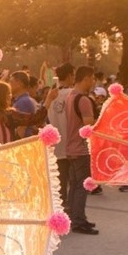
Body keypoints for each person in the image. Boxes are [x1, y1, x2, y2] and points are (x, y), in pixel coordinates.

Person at [64, 65, 98, 235]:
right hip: (81, 148)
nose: (93, 82)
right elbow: (89, 126)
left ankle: (73, 217)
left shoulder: (70, 96)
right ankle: (78, 221)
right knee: (81, 186)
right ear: (85, 78)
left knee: (75, 185)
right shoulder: (83, 100)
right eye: (92, 78)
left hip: (71, 147)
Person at [47, 63, 75, 204]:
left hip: (56, 143)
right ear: (70, 75)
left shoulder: (51, 94)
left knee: (61, 180)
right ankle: (72, 209)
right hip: (71, 143)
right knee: (75, 182)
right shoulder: (73, 94)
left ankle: (62, 207)